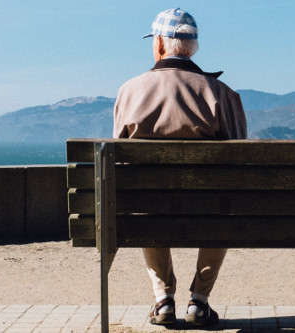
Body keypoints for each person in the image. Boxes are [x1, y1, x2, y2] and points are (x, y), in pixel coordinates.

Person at [112, 8, 246, 327]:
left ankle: (162, 300)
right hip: (210, 208)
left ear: (159, 44)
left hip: (150, 209)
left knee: (143, 202)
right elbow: (242, 158)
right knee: (223, 206)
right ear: (193, 47)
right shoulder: (222, 95)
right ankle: (199, 300)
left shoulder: (130, 91)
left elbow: (117, 161)